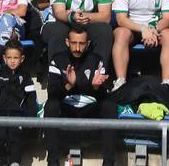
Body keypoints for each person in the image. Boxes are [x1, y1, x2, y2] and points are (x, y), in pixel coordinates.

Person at [45, 24, 117, 166]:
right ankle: (52, 162)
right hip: (66, 109)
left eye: (81, 43)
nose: (77, 48)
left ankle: (109, 163)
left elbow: (105, 93)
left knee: (110, 106)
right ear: (67, 42)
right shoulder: (57, 60)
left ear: (88, 44)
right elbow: (52, 92)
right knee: (51, 106)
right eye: (74, 43)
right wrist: (69, 86)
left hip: (90, 109)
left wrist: (96, 87)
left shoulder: (97, 60)